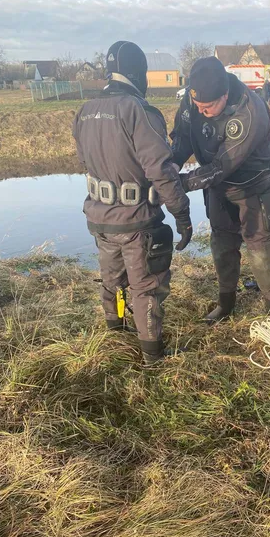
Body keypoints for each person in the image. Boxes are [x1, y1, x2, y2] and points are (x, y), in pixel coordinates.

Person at [73, 41, 192, 365]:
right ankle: (153, 358)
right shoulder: (140, 111)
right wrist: (181, 214)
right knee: (146, 288)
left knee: (111, 279)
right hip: (137, 222)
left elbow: (85, 159)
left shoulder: (85, 111)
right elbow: (161, 171)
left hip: (100, 219)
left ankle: (115, 333)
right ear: (138, 74)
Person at [170, 56, 270, 323]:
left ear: (224, 95)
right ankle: (226, 303)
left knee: (260, 247)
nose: (201, 111)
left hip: (255, 184)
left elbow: (222, 165)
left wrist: (181, 184)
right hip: (220, 187)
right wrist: (172, 164)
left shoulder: (249, 112)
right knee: (221, 243)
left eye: (208, 106)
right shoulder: (193, 100)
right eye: (197, 104)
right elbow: (183, 135)